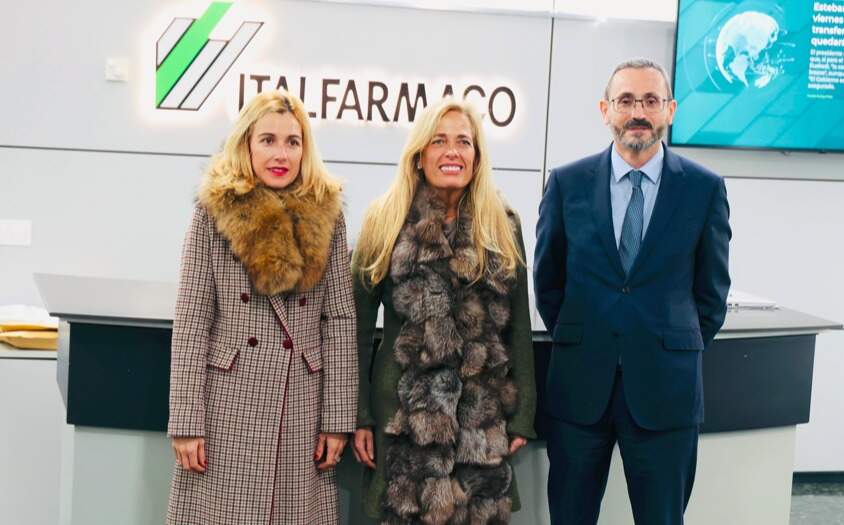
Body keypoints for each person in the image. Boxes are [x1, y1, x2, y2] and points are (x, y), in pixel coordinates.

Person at [533, 58, 731, 525]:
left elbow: (711, 294)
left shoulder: (704, 189)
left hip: (667, 391)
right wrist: (586, 337)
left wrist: (667, 344)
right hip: (580, 389)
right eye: (625, 101)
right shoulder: (567, 183)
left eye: (650, 101)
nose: (638, 112)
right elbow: (548, 281)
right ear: (605, 110)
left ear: (670, 110)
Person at [166, 90, 358, 525]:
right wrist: (186, 421)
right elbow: (193, 320)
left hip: (302, 404)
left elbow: (340, 320)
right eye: (268, 140)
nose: (281, 154)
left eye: (293, 142)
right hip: (227, 404)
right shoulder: (212, 212)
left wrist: (337, 419)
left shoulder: (328, 214)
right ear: (247, 144)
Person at [351, 98, 537, 524]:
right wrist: (358, 415)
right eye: (439, 141)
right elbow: (354, 331)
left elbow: (519, 327)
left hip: (481, 422)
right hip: (402, 420)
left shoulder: (503, 225)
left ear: (477, 157)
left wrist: (523, 414)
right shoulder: (384, 220)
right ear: (419, 155)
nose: (452, 151)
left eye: (463, 142)